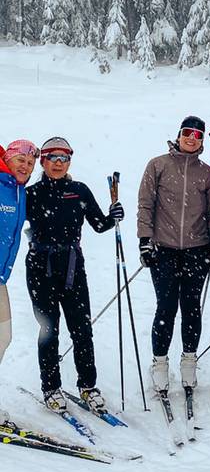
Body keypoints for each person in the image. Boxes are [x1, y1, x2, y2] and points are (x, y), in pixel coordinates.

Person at [25, 137, 124, 414]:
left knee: (82, 329)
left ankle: (88, 386)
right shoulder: (31, 194)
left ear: (69, 161)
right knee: (49, 330)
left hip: (71, 266)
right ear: (43, 161)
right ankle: (51, 387)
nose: (58, 163)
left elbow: (99, 224)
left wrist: (113, 216)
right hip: (39, 266)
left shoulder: (78, 191)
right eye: (53, 158)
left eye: (64, 158)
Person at [137, 116, 210, 394]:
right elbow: (146, 205)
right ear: (179, 134)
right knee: (166, 307)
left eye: (198, 135)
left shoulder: (206, 172)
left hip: (197, 250)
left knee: (191, 307)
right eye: (188, 132)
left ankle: (188, 361)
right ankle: (160, 363)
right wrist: (145, 240)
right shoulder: (158, 164)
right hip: (164, 249)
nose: (192, 138)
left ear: (201, 141)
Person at [0, 140, 38, 422]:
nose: (25, 166)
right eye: (20, 160)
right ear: (8, 160)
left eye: (30, 163)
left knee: (3, 337)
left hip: (1, 278)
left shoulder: (18, 191)